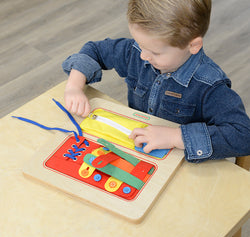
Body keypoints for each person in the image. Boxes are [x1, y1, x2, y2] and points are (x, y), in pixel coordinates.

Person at [62, 0, 250, 162]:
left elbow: (243, 136)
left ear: (193, 45)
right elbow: (95, 50)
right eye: (141, 45)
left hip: (179, 167)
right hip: (138, 152)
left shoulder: (210, 86)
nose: (143, 55)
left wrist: (177, 137)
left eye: (155, 52)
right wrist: (74, 86)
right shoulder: (139, 51)